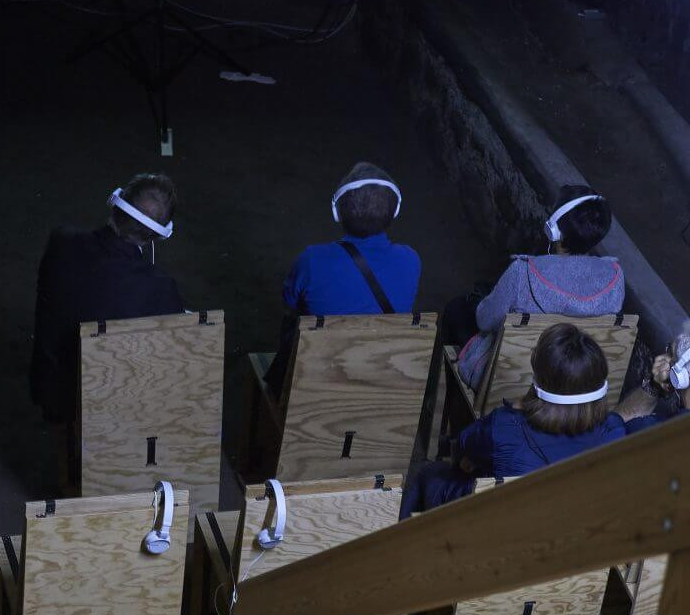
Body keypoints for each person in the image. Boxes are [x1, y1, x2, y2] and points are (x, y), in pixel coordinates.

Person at [402, 323, 627, 518]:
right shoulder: (614, 431)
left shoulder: (504, 428)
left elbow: (464, 444)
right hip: (559, 532)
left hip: (490, 521)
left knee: (428, 474)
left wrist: (518, 407)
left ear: (538, 381)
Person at [30, 173, 184, 423]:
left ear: (115, 204)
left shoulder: (60, 240)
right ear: (158, 236)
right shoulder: (160, 287)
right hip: (108, 412)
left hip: (53, 393)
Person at [265, 161, 421, 395]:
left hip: (314, 386)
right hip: (381, 383)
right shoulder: (411, 260)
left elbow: (290, 300)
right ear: (395, 211)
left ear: (337, 213)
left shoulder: (312, 260)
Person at [451, 186, 625, 389]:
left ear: (554, 230)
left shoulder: (522, 272)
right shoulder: (615, 278)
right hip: (574, 385)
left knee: (456, 310)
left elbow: (485, 320)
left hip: (505, 384)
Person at [615, 333, 690, 434]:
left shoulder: (651, 429)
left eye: (669, 353)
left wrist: (654, 385)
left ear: (679, 377)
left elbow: (610, 429)